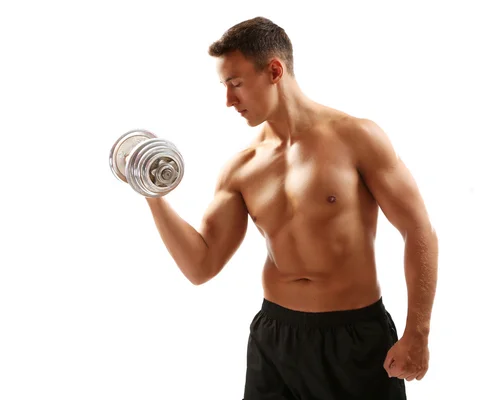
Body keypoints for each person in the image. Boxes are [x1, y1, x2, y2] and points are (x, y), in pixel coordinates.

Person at [145, 16, 438, 399]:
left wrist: (417, 331)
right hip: (275, 338)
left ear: (274, 70)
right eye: (224, 87)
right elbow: (201, 266)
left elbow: (418, 230)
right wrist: (152, 194)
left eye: (235, 84)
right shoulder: (243, 166)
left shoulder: (355, 137)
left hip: (353, 339)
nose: (229, 101)